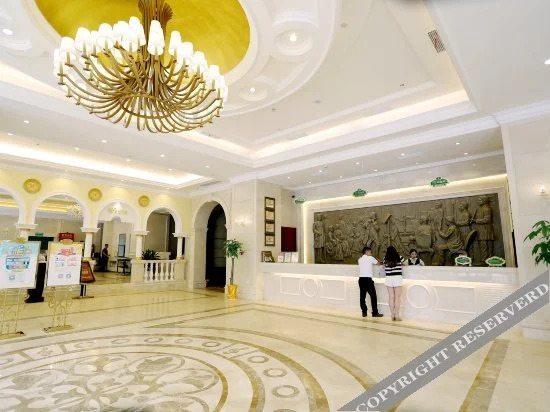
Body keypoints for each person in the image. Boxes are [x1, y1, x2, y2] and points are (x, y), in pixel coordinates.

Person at [358, 247, 383, 318]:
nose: (371, 253)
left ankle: (364, 312)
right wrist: (378, 260)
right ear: (366, 251)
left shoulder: (359, 259)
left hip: (361, 279)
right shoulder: (371, 258)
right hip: (368, 280)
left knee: (362, 296)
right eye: (370, 252)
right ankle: (374, 313)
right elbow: (378, 264)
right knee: (373, 296)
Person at [383, 246, 405, 321]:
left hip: (388, 279)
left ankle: (392, 315)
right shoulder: (400, 257)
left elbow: (383, 266)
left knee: (391, 297)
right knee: (397, 298)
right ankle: (397, 315)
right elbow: (406, 264)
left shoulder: (385, 258)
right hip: (397, 278)